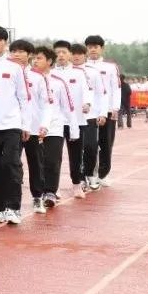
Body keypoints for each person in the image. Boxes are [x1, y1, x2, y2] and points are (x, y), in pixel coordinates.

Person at [0, 26, 31, 225]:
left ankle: (13, 207)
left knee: (11, 164)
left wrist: (25, 124)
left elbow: (24, 97)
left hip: (11, 124)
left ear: (5, 43)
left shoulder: (15, 68)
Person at [9, 40, 53, 214]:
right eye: (14, 51)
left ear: (29, 55)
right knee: (11, 164)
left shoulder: (38, 77)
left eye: (21, 51)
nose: (16, 55)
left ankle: (37, 197)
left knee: (36, 163)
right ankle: (12, 204)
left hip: (33, 128)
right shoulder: (5, 73)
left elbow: (47, 104)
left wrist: (44, 124)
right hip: (12, 126)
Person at [33, 46, 79, 209]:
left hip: (54, 128)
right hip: (33, 128)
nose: (35, 61)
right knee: (37, 162)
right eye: (34, 58)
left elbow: (68, 107)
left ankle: (50, 192)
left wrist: (74, 128)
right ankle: (38, 192)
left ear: (49, 61)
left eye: (39, 58)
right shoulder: (28, 79)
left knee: (52, 160)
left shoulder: (58, 82)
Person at [53, 41, 92, 199]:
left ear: (69, 54)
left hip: (76, 120)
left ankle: (77, 184)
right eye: (57, 52)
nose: (61, 55)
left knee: (76, 155)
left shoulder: (79, 73)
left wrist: (87, 103)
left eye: (64, 52)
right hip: (55, 122)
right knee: (53, 156)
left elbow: (87, 90)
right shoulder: (50, 73)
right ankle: (53, 188)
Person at [71, 43, 108, 192]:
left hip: (90, 116)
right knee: (75, 150)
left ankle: (90, 174)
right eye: (73, 53)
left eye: (79, 53)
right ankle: (79, 178)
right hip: (72, 118)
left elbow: (101, 94)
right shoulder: (64, 73)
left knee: (91, 146)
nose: (76, 56)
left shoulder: (93, 72)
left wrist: (102, 113)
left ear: (84, 55)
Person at [85, 35, 120, 186]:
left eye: (96, 47)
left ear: (102, 48)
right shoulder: (82, 67)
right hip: (88, 112)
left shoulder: (110, 67)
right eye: (90, 47)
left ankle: (103, 174)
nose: (92, 49)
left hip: (108, 110)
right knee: (88, 145)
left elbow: (116, 88)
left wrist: (115, 107)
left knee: (106, 143)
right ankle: (89, 174)